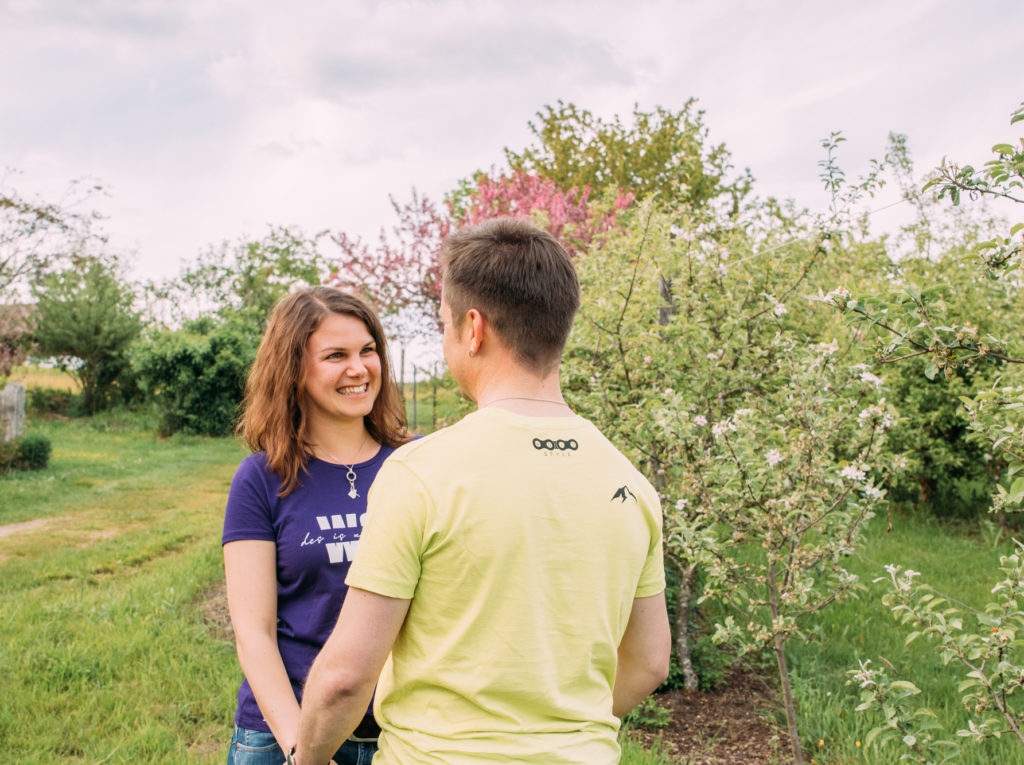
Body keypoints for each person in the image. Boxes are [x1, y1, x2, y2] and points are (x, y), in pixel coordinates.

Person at [292, 218, 671, 765]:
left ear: (474, 329)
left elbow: (346, 678)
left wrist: (305, 758)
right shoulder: (630, 486)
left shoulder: (420, 473)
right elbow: (648, 664)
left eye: (444, 324)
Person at [222, 286, 411, 765]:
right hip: (285, 733)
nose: (359, 368)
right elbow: (254, 632)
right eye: (335, 355)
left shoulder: (416, 464)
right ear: (294, 371)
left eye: (368, 351)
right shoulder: (262, 479)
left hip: (403, 735)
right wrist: (300, 746)